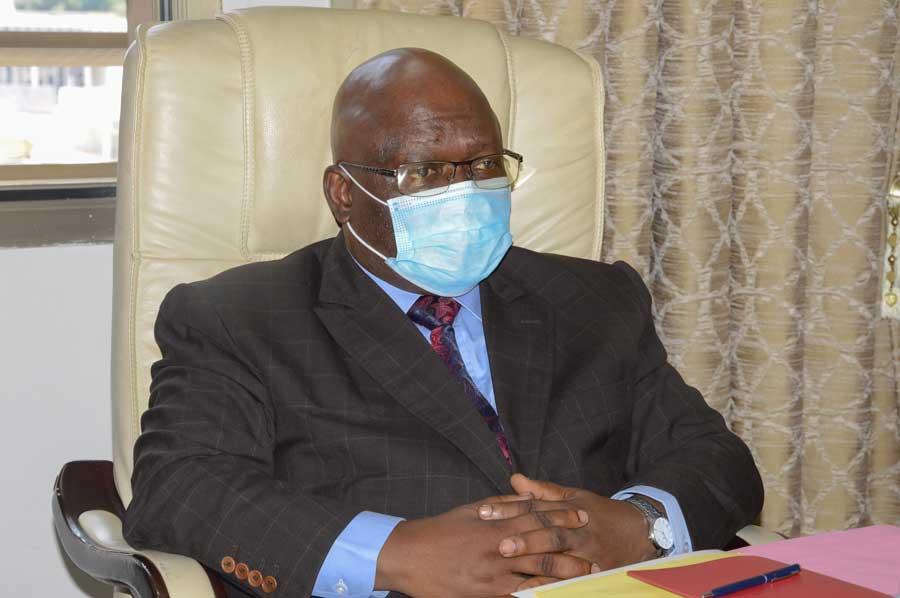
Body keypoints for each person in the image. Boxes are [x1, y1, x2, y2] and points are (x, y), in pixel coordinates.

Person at [123, 48, 764, 598]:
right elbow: (181, 486)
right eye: (423, 172)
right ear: (344, 193)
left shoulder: (592, 297)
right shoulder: (239, 316)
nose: (464, 192)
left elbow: (715, 456)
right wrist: (396, 553)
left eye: (485, 165)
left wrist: (642, 524)